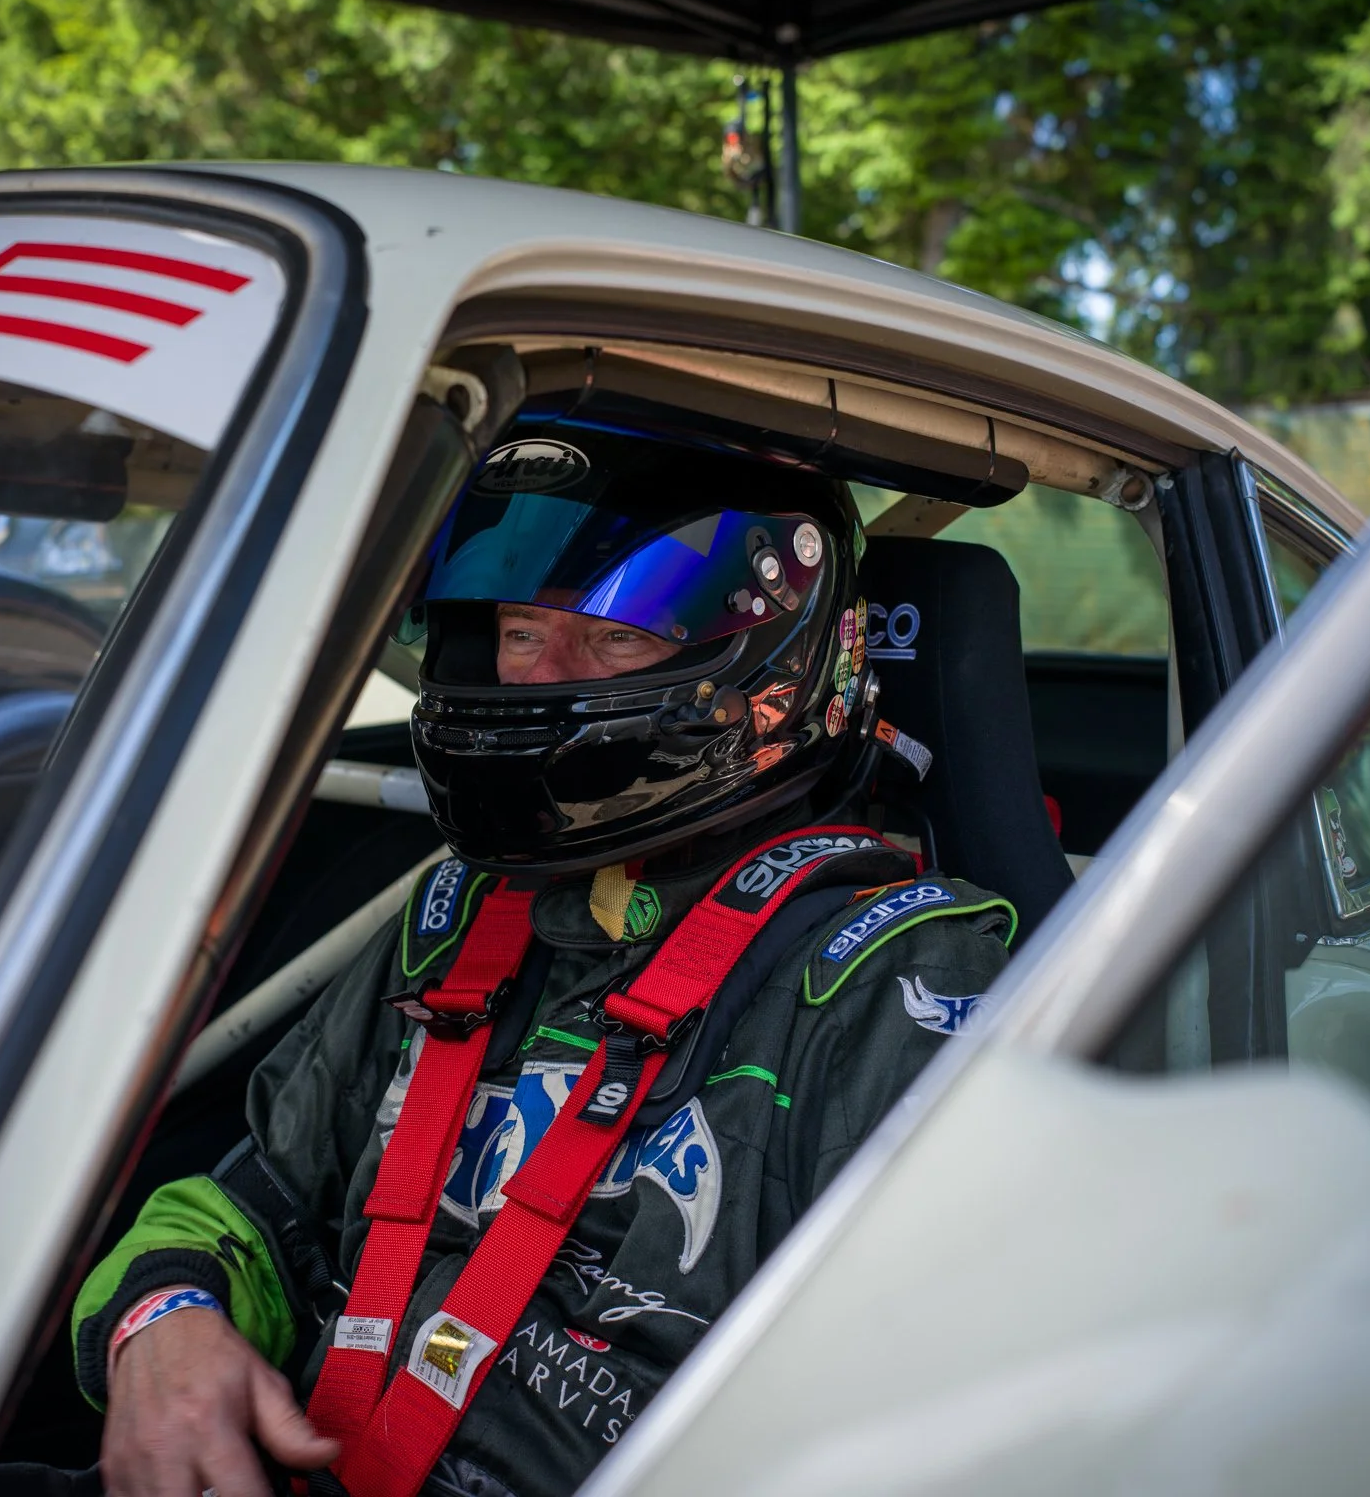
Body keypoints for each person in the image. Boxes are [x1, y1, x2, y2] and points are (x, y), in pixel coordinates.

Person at [73, 430, 1017, 1497]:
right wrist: (166, 1316)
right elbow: (247, 1206)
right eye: (521, 631)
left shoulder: (892, 990)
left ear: (777, 663)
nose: (545, 676)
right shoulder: (455, 917)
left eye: (612, 637)